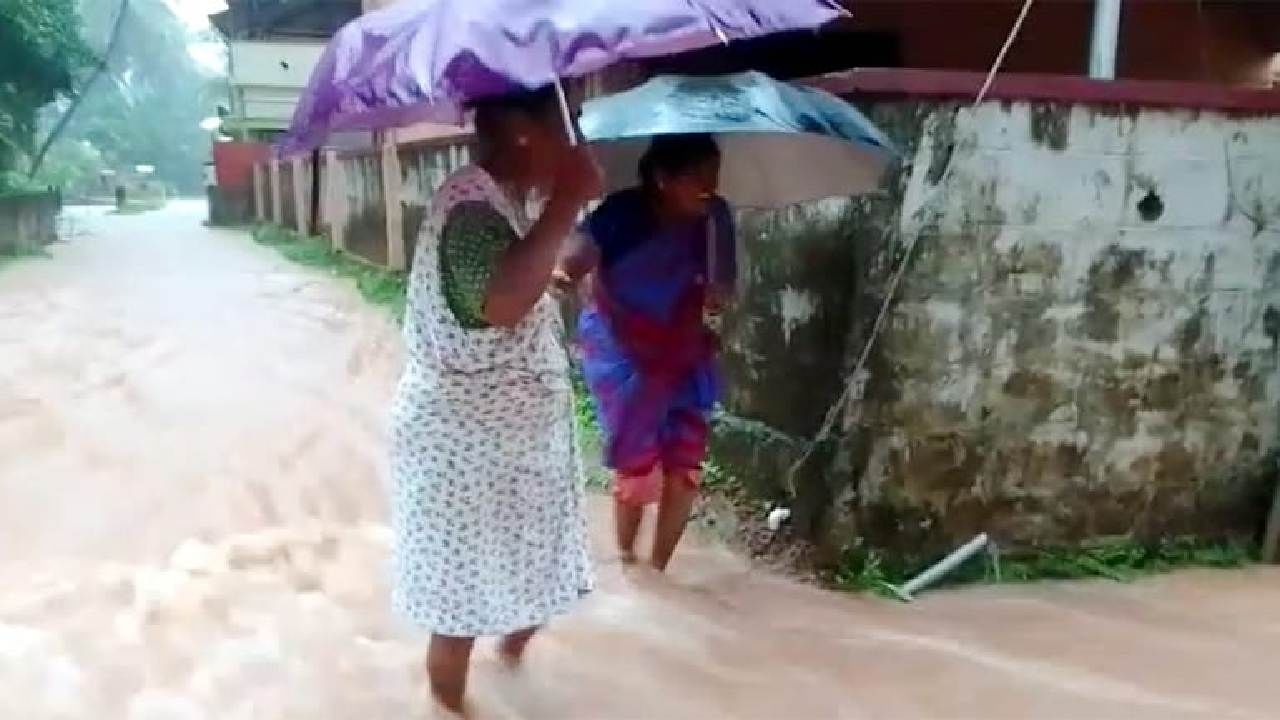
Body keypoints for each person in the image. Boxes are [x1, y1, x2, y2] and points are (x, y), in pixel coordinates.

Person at [388, 85, 602, 716]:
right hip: (461, 450)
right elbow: (499, 302)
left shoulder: (500, 204)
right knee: (457, 609)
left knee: (532, 575)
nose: (574, 142)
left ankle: (510, 668)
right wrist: (566, 204)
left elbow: (509, 288)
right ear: (522, 132)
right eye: (565, 126)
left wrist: (553, 271)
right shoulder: (470, 207)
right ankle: (451, 708)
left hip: (509, 447)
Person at [557, 133, 735, 571]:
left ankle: (657, 572)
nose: (710, 186)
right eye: (698, 178)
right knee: (636, 469)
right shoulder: (619, 214)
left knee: (685, 466)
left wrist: (715, 293)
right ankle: (625, 562)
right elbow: (575, 258)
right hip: (620, 350)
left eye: (714, 175)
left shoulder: (716, 218)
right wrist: (563, 273)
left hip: (683, 349)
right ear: (661, 178)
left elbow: (723, 287)